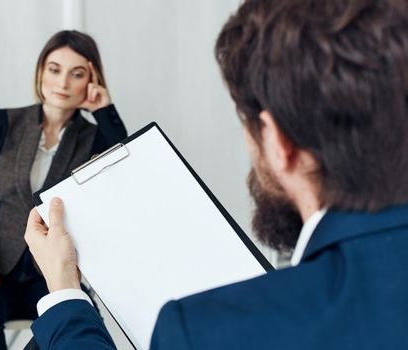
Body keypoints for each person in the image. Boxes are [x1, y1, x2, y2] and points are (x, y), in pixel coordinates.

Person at [24, 0, 408, 349]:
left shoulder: (203, 330)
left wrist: (64, 290)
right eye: (55, 70)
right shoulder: (5, 126)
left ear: (279, 143)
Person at [0, 30, 127, 350]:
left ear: (92, 80)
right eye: (54, 69)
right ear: (40, 71)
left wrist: (104, 111)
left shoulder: (95, 140)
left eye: (77, 74)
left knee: (81, 320)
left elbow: (122, 170)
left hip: (51, 272)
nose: (62, 83)